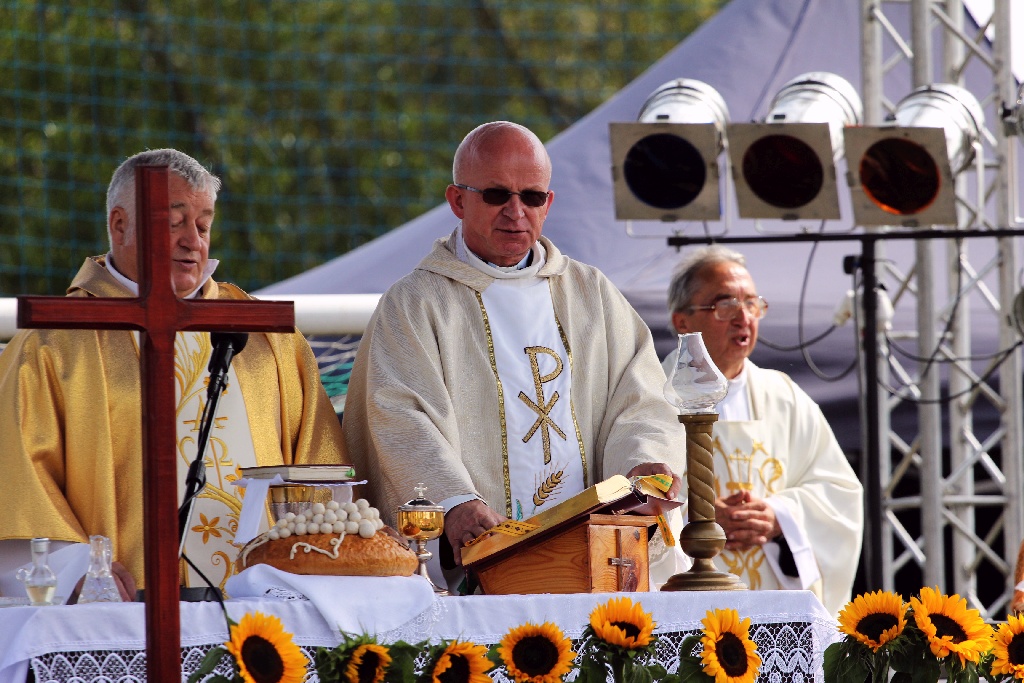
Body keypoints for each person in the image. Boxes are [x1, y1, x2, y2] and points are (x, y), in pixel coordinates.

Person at [345, 121, 685, 591]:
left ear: (548, 204)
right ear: (457, 200)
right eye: (496, 194)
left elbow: (640, 401)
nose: (515, 211)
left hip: (597, 561)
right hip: (480, 561)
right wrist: (454, 502)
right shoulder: (416, 303)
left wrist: (640, 470)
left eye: (531, 197)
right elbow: (401, 416)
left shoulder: (592, 296)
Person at [0, 149, 347, 600]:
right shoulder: (54, 343)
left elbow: (320, 473)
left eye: (203, 225)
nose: (193, 241)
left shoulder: (266, 338)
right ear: (120, 225)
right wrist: (75, 572)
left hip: (266, 608)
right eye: (174, 222)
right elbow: (18, 484)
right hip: (126, 609)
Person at [663, 244, 863, 614]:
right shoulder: (652, 394)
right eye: (725, 305)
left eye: (752, 304)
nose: (744, 318)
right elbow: (625, 501)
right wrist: (698, 521)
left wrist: (778, 515)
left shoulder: (784, 396)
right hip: (685, 599)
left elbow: (841, 493)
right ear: (682, 321)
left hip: (773, 603)